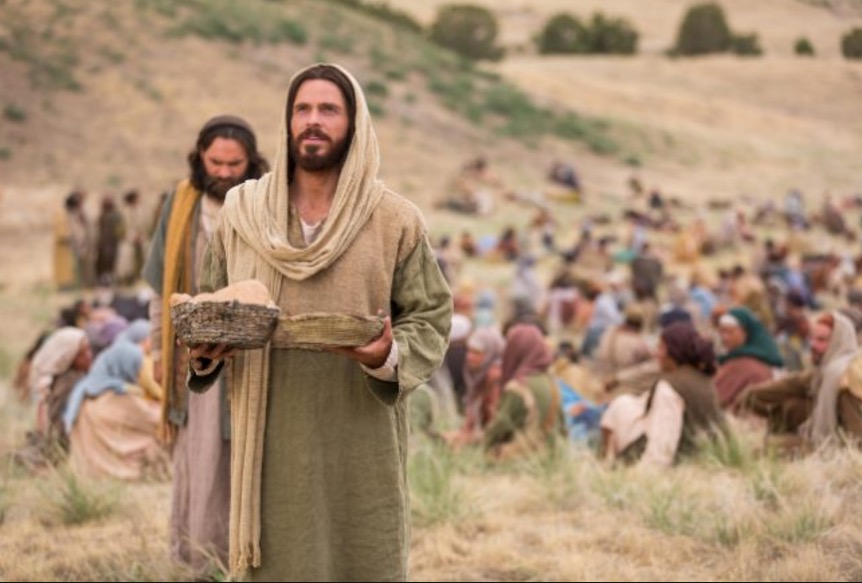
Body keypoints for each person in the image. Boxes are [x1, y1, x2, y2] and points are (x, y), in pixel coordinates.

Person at [188, 63, 452, 580]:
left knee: (362, 556)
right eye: (302, 109)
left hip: (360, 434)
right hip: (270, 434)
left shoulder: (394, 220)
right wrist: (205, 350)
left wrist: (386, 356)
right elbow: (210, 303)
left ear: (355, 122)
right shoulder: (240, 214)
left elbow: (431, 316)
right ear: (287, 122)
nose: (313, 121)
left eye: (329, 109)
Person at [141, 114, 270, 577]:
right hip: (194, 353)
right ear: (200, 159)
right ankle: (202, 559)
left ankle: (254, 558)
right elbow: (161, 287)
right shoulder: (179, 204)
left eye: (235, 164)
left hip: (258, 352)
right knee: (203, 456)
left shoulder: (270, 200)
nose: (224, 172)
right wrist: (159, 350)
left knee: (253, 454)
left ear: (250, 162)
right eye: (216, 162)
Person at [599, 321, 728, 468]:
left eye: (661, 348)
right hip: (707, 459)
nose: (656, 354)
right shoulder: (703, 380)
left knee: (618, 407)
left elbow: (663, 445)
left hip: (681, 463)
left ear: (674, 351)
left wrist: (642, 478)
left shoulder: (669, 387)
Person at [62, 319, 168, 481]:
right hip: (120, 467)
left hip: (89, 469)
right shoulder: (117, 396)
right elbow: (154, 420)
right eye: (134, 367)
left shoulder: (87, 393)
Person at [740, 311, 862, 451]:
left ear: (837, 342)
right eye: (812, 339)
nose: (813, 345)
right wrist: (747, 397)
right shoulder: (825, 373)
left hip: (837, 451)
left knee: (767, 449)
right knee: (791, 407)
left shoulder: (846, 377)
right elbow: (790, 385)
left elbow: (856, 440)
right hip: (823, 443)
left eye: (821, 340)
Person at [482, 323, 564, 460]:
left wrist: (483, 447)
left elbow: (500, 427)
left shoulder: (518, 387)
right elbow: (561, 427)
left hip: (520, 458)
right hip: (550, 457)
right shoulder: (552, 383)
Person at [714, 306, 784, 412]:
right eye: (722, 332)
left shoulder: (742, 363)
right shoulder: (738, 357)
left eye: (730, 332)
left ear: (746, 332)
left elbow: (717, 399)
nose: (725, 337)